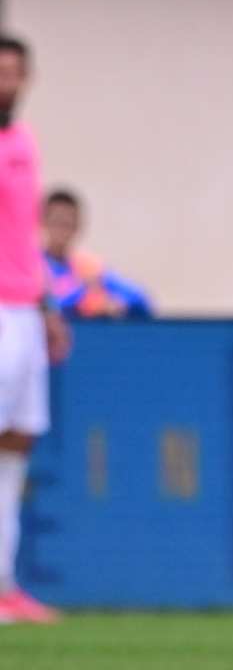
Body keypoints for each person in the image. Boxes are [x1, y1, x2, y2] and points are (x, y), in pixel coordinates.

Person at [0, 35, 69, 625]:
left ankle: (4, 584)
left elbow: (24, 234)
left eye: (13, 72)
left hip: (25, 309)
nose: (6, 82)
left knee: (16, 443)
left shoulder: (24, 141)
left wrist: (47, 305)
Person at [42, 188, 152, 321]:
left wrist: (116, 304)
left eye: (68, 223)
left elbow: (140, 298)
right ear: (43, 222)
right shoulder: (34, 266)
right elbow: (46, 306)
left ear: (77, 225)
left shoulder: (88, 267)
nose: (62, 230)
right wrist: (83, 296)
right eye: (57, 222)